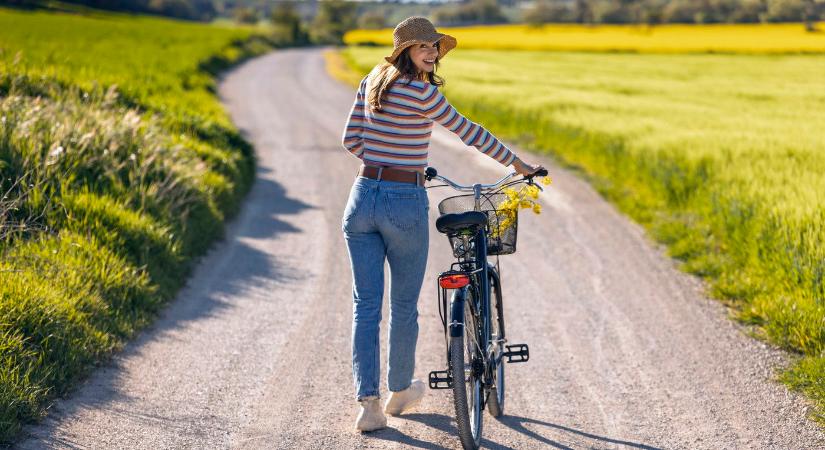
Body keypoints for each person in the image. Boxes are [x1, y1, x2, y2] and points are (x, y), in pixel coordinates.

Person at [340, 16, 544, 432]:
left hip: (362, 196)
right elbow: (470, 132)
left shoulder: (372, 82)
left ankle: (369, 405)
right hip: (404, 200)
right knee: (401, 305)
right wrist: (517, 163)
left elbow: (351, 140)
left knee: (366, 306)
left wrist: (386, 158)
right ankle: (399, 391)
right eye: (423, 48)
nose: (431, 53)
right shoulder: (421, 92)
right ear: (405, 53)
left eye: (434, 47)